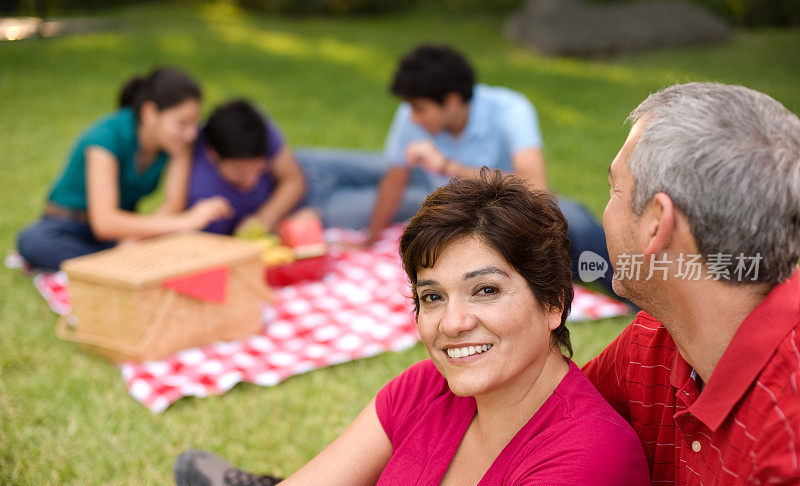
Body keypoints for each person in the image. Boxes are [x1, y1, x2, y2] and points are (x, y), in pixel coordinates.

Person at [176, 171, 652, 486]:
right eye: (432, 297)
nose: (452, 323)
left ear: (552, 302)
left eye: (485, 290)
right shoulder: (426, 388)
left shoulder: (590, 457)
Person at [582, 82, 800, 486]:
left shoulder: (787, 445)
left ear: (657, 224)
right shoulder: (654, 339)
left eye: (614, 190)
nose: (606, 211)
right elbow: (539, 410)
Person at [295, 44, 614, 292]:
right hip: (443, 201)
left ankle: (625, 287)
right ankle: (292, 178)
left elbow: (536, 186)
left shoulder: (509, 110)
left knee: (575, 221)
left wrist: (447, 165)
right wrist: (370, 238)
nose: (413, 118)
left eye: (420, 109)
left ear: (451, 101)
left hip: (508, 206)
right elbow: (394, 179)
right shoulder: (411, 117)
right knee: (351, 168)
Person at [16, 67, 231, 271]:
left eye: (194, 123)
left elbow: (174, 204)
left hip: (122, 233)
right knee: (33, 240)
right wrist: (184, 222)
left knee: (176, 244)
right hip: (69, 227)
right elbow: (105, 222)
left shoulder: (178, 143)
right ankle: (115, 264)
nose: (191, 133)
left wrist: (135, 239)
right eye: (182, 123)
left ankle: (114, 263)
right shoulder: (105, 138)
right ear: (150, 114)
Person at [185, 99, 306, 235]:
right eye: (240, 172)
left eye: (259, 170)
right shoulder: (202, 190)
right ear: (212, 154)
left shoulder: (252, 129)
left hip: (305, 167)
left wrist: (265, 218)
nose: (252, 181)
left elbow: (293, 179)